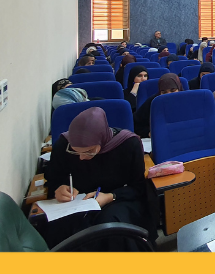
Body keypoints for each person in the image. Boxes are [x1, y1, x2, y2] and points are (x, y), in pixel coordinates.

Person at [44, 107, 158, 250]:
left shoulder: (128, 144)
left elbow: (138, 187)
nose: (81, 157)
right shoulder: (63, 144)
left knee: (111, 226)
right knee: (63, 228)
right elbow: (54, 179)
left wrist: (111, 196)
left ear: (101, 139)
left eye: (89, 151)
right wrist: (59, 189)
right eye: (75, 152)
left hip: (119, 199)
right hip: (77, 202)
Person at [133, 73, 182, 138]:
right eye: (164, 92)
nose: (168, 95)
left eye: (173, 91)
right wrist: (148, 133)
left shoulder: (187, 101)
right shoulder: (153, 102)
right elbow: (136, 124)